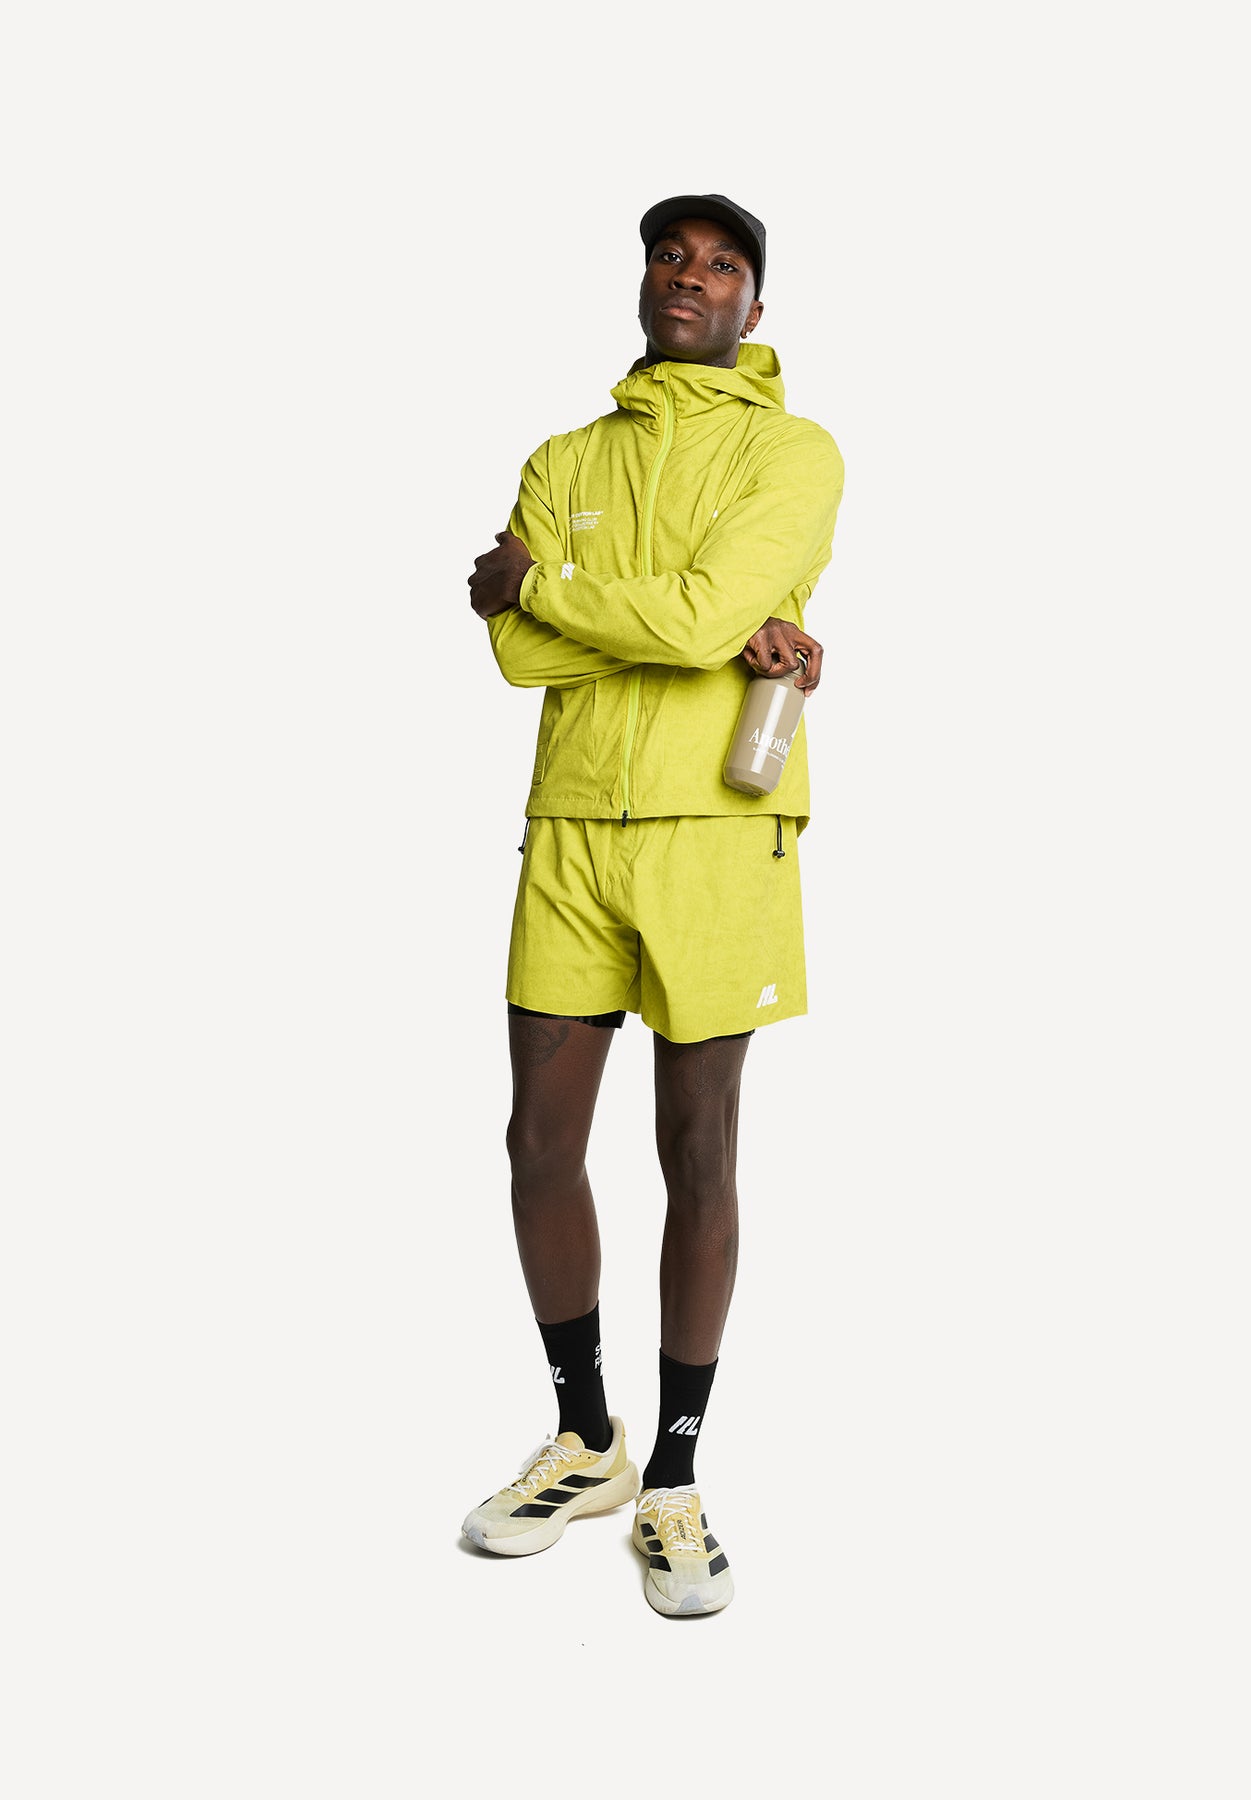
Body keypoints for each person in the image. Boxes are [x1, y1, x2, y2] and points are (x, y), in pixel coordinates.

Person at [462, 194, 844, 1616]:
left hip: (716, 829)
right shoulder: (564, 456)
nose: (691, 277)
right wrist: (684, 619)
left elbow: (663, 620)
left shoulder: (793, 453)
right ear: (643, 283)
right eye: (670, 258)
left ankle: (675, 1475)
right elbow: (517, 658)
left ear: (755, 305)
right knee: (536, 1142)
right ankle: (588, 1440)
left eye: (722, 265)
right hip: (571, 825)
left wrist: (558, 588)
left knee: (699, 1147)